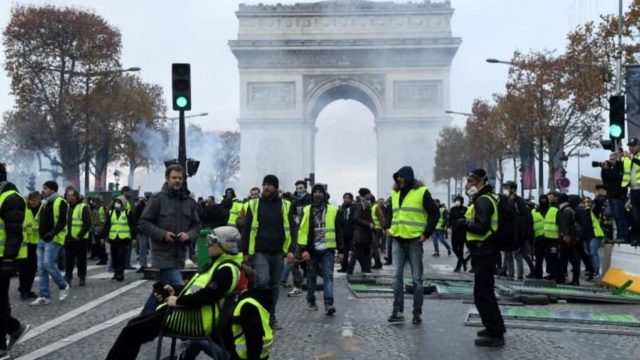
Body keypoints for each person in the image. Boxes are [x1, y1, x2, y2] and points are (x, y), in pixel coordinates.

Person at [105, 226, 242, 360]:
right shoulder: (219, 265)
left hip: (190, 318)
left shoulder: (225, 270)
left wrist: (177, 300)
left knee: (131, 331)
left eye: (211, 241)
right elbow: (198, 290)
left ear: (224, 246)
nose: (207, 245)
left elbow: (205, 296)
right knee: (133, 325)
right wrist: (175, 290)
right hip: (189, 313)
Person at [139, 164, 202, 314]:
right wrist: (162, 234)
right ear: (167, 179)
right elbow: (143, 222)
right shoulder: (157, 199)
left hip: (180, 254)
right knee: (180, 289)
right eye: (174, 178)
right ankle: (190, 333)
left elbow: (197, 226)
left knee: (163, 291)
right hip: (162, 254)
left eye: (180, 178)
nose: (177, 181)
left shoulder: (189, 202)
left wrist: (189, 235)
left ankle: (141, 323)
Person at [454, 169, 505, 346]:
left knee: (482, 294)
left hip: (485, 250)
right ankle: (494, 327)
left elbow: (482, 227)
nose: (468, 185)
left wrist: (462, 223)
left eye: (470, 181)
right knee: (486, 292)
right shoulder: (486, 198)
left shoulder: (483, 200)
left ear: (481, 182)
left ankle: (496, 334)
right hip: (485, 250)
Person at [241, 175, 295, 330]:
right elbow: (246, 230)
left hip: (278, 252)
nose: (266, 187)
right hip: (259, 251)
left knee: (274, 286)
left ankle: (271, 316)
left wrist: (292, 250)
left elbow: (293, 229)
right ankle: (258, 313)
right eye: (264, 184)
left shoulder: (285, 205)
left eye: (269, 185)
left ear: (276, 188)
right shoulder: (254, 204)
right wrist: (245, 251)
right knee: (262, 281)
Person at [387, 166, 439, 325]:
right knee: (397, 277)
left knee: (417, 279)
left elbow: (435, 213)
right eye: (397, 177)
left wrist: (427, 233)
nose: (398, 180)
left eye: (401, 177)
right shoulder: (394, 193)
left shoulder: (422, 192)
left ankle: (417, 312)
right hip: (397, 239)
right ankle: (397, 310)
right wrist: (387, 228)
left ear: (409, 177)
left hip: (415, 241)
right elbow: (391, 212)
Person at [298, 184, 344, 314]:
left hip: (327, 250)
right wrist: (304, 250)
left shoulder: (333, 210)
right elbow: (302, 231)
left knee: (328, 276)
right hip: (311, 250)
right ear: (312, 195)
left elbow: (339, 231)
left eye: (320, 192)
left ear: (324, 195)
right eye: (315, 192)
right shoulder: (306, 210)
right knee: (311, 277)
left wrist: (341, 250)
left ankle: (328, 303)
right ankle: (311, 300)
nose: (317, 194)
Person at [0, 164, 30, 359]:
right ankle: (14, 327)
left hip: (2, 259)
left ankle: (1, 348)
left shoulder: (10, 198)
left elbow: (14, 232)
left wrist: (9, 258)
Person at [31, 181, 69, 306]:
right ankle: (44, 296)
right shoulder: (44, 202)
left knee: (48, 264)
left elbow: (62, 221)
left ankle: (63, 285)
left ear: (52, 189)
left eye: (45, 188)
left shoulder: (60, 201)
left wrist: (52, 233)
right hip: (42, 239)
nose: (43, 190)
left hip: (53, 238)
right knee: (41, 268)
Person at [501, 181, 534, 280]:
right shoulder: (504, 200)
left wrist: (523, 233)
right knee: (507, 255)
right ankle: (510, 274)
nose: (505, 189)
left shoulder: (519, 201)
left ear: (513, 189)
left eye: (507, 187)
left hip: (517, 232)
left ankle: (520, 275)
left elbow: (525, 217)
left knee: (517, 254)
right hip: (507, 232)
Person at [101, 198, 136, 281]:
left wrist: (134, 237)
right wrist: (103, 236)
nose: (117, 204)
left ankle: (120, 273)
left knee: (121, 255)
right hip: (113, 238)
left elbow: (133, 226)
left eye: (119, 202)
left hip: (124, 238)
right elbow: (107, 225)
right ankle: (116, 272)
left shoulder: (128, 213)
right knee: (114, 256)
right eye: (116, 202)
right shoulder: (111, 212)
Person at [62, 188, 91, 286]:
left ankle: (82, 277)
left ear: (75, 197)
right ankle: (68, 278)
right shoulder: (65, 207)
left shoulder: (83, 207)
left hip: (80, 239)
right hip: (68, 238)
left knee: (81, 260)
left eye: (70, 195)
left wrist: (80, 235)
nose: (68, 197)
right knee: (68, 260)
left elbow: (87, 223)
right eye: (67, 195)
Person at [17, 191, 41, 300]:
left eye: (35, 200)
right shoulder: (24, 209)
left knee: (32, 267)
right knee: (24, 269)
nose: (33, 202)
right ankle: (23, 290)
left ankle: (28, 289)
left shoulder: (39, 209)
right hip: (23, 244)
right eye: (31, 200)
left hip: (34, 244)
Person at [348, 188, 375, 275]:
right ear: (365, 195)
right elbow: (357, 218)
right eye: (369, 193)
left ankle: (366, 269)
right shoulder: (360, 205)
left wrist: (372, 224)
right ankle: (350, 271)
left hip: (366, 234)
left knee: (365, 253)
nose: (370, 195)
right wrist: (368, 224)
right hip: (360, 235)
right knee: (356, 254)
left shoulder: (367, 204)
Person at [579, 196, 603, 280]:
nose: (586, 204)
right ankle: (592, 272)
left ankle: (597, 272)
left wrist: (596, 198)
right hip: (586, 237)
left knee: (593, 252)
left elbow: (599, 207)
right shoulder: (582, 213)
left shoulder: (594, 212)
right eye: (584, 202)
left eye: (588, 202)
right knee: (588, 254)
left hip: (595, 235)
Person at [622, 138, 640, 245]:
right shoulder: (628, 158)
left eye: (633, 146)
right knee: (635, 216)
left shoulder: (633, 157)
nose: (631, 148)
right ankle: (636, 238)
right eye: (630, 146)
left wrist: (631, 158)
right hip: (633, 191)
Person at [448, 195, 468, 272]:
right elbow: (450, 218)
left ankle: (458, 266)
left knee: (460, 249)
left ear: (462, 201)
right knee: (454, 248)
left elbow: (467, 219)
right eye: (456, 200)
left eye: (459, 200)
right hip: (454, 231)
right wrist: (448, 226)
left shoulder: (465, 209)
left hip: (462, 231)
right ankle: (463, 261)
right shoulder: (453, 209)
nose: (457, 201)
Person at [337, 193, 355, 273]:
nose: (345, 199)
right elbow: (339, 220)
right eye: (344, 198)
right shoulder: (341, 209)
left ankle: (352, 267)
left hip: (352, 233)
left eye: (347, 198)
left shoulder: (354, 208)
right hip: (343, 233)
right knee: (343, 251)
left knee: (355, 252)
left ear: (351, 199)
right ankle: (344, 267)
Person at [370, 197, 385, 269]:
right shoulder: (373, 207)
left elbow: (381, 218)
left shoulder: (375, 207)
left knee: (374, 246)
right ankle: (377, 263)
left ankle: (377, 263)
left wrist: (383, 228)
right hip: (374, 229)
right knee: (374, 246)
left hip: (376, 229)